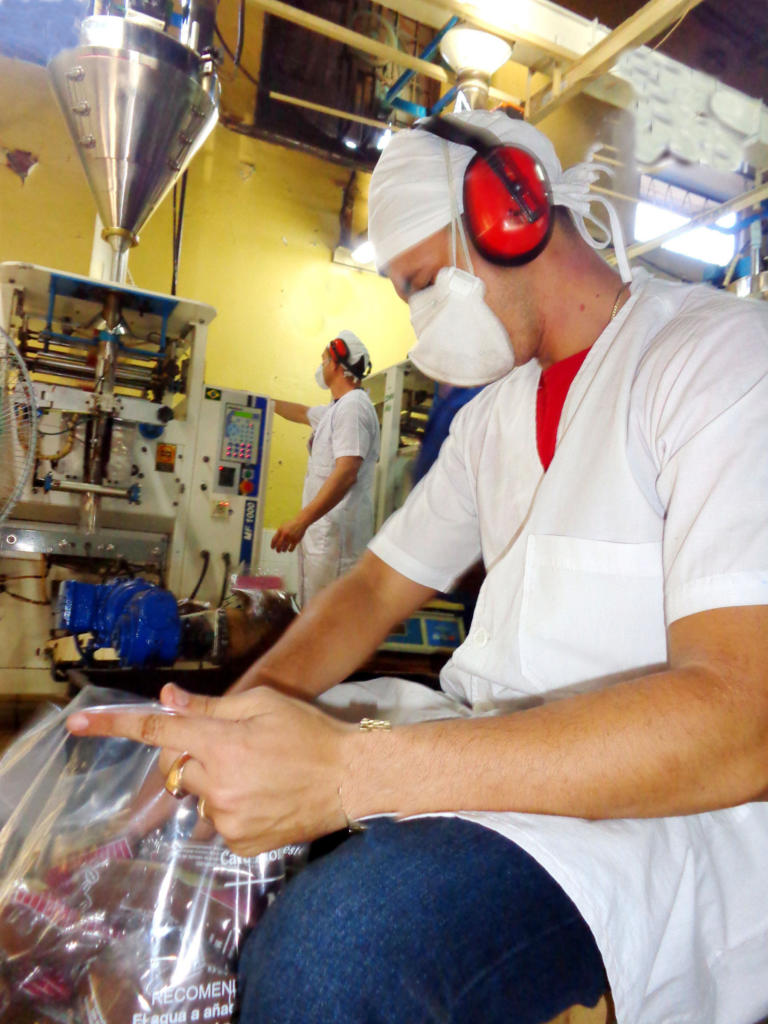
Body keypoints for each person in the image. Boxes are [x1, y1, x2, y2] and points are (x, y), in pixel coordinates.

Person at [67, 110, 768, 1024]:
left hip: (643, 827)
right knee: (176, 824)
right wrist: (223, 723)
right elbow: (370, 591)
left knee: (336, 953)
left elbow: (743, 721)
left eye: (422, 282)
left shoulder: (716, 360)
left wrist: (350, 775)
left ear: (507, 206)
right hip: (491, 773)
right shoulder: (491, 420)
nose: (418, 319)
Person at [269, 330, 380, 606]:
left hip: (337, 540)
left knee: (328, 622)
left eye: (323, 359)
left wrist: (301, 520)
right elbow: (302, 412)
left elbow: (346, 472)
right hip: (325, 538)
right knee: (315, 617)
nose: (320, 366)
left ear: (335, 364)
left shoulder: (353, 408)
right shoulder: (337, 408)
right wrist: (256, 402)